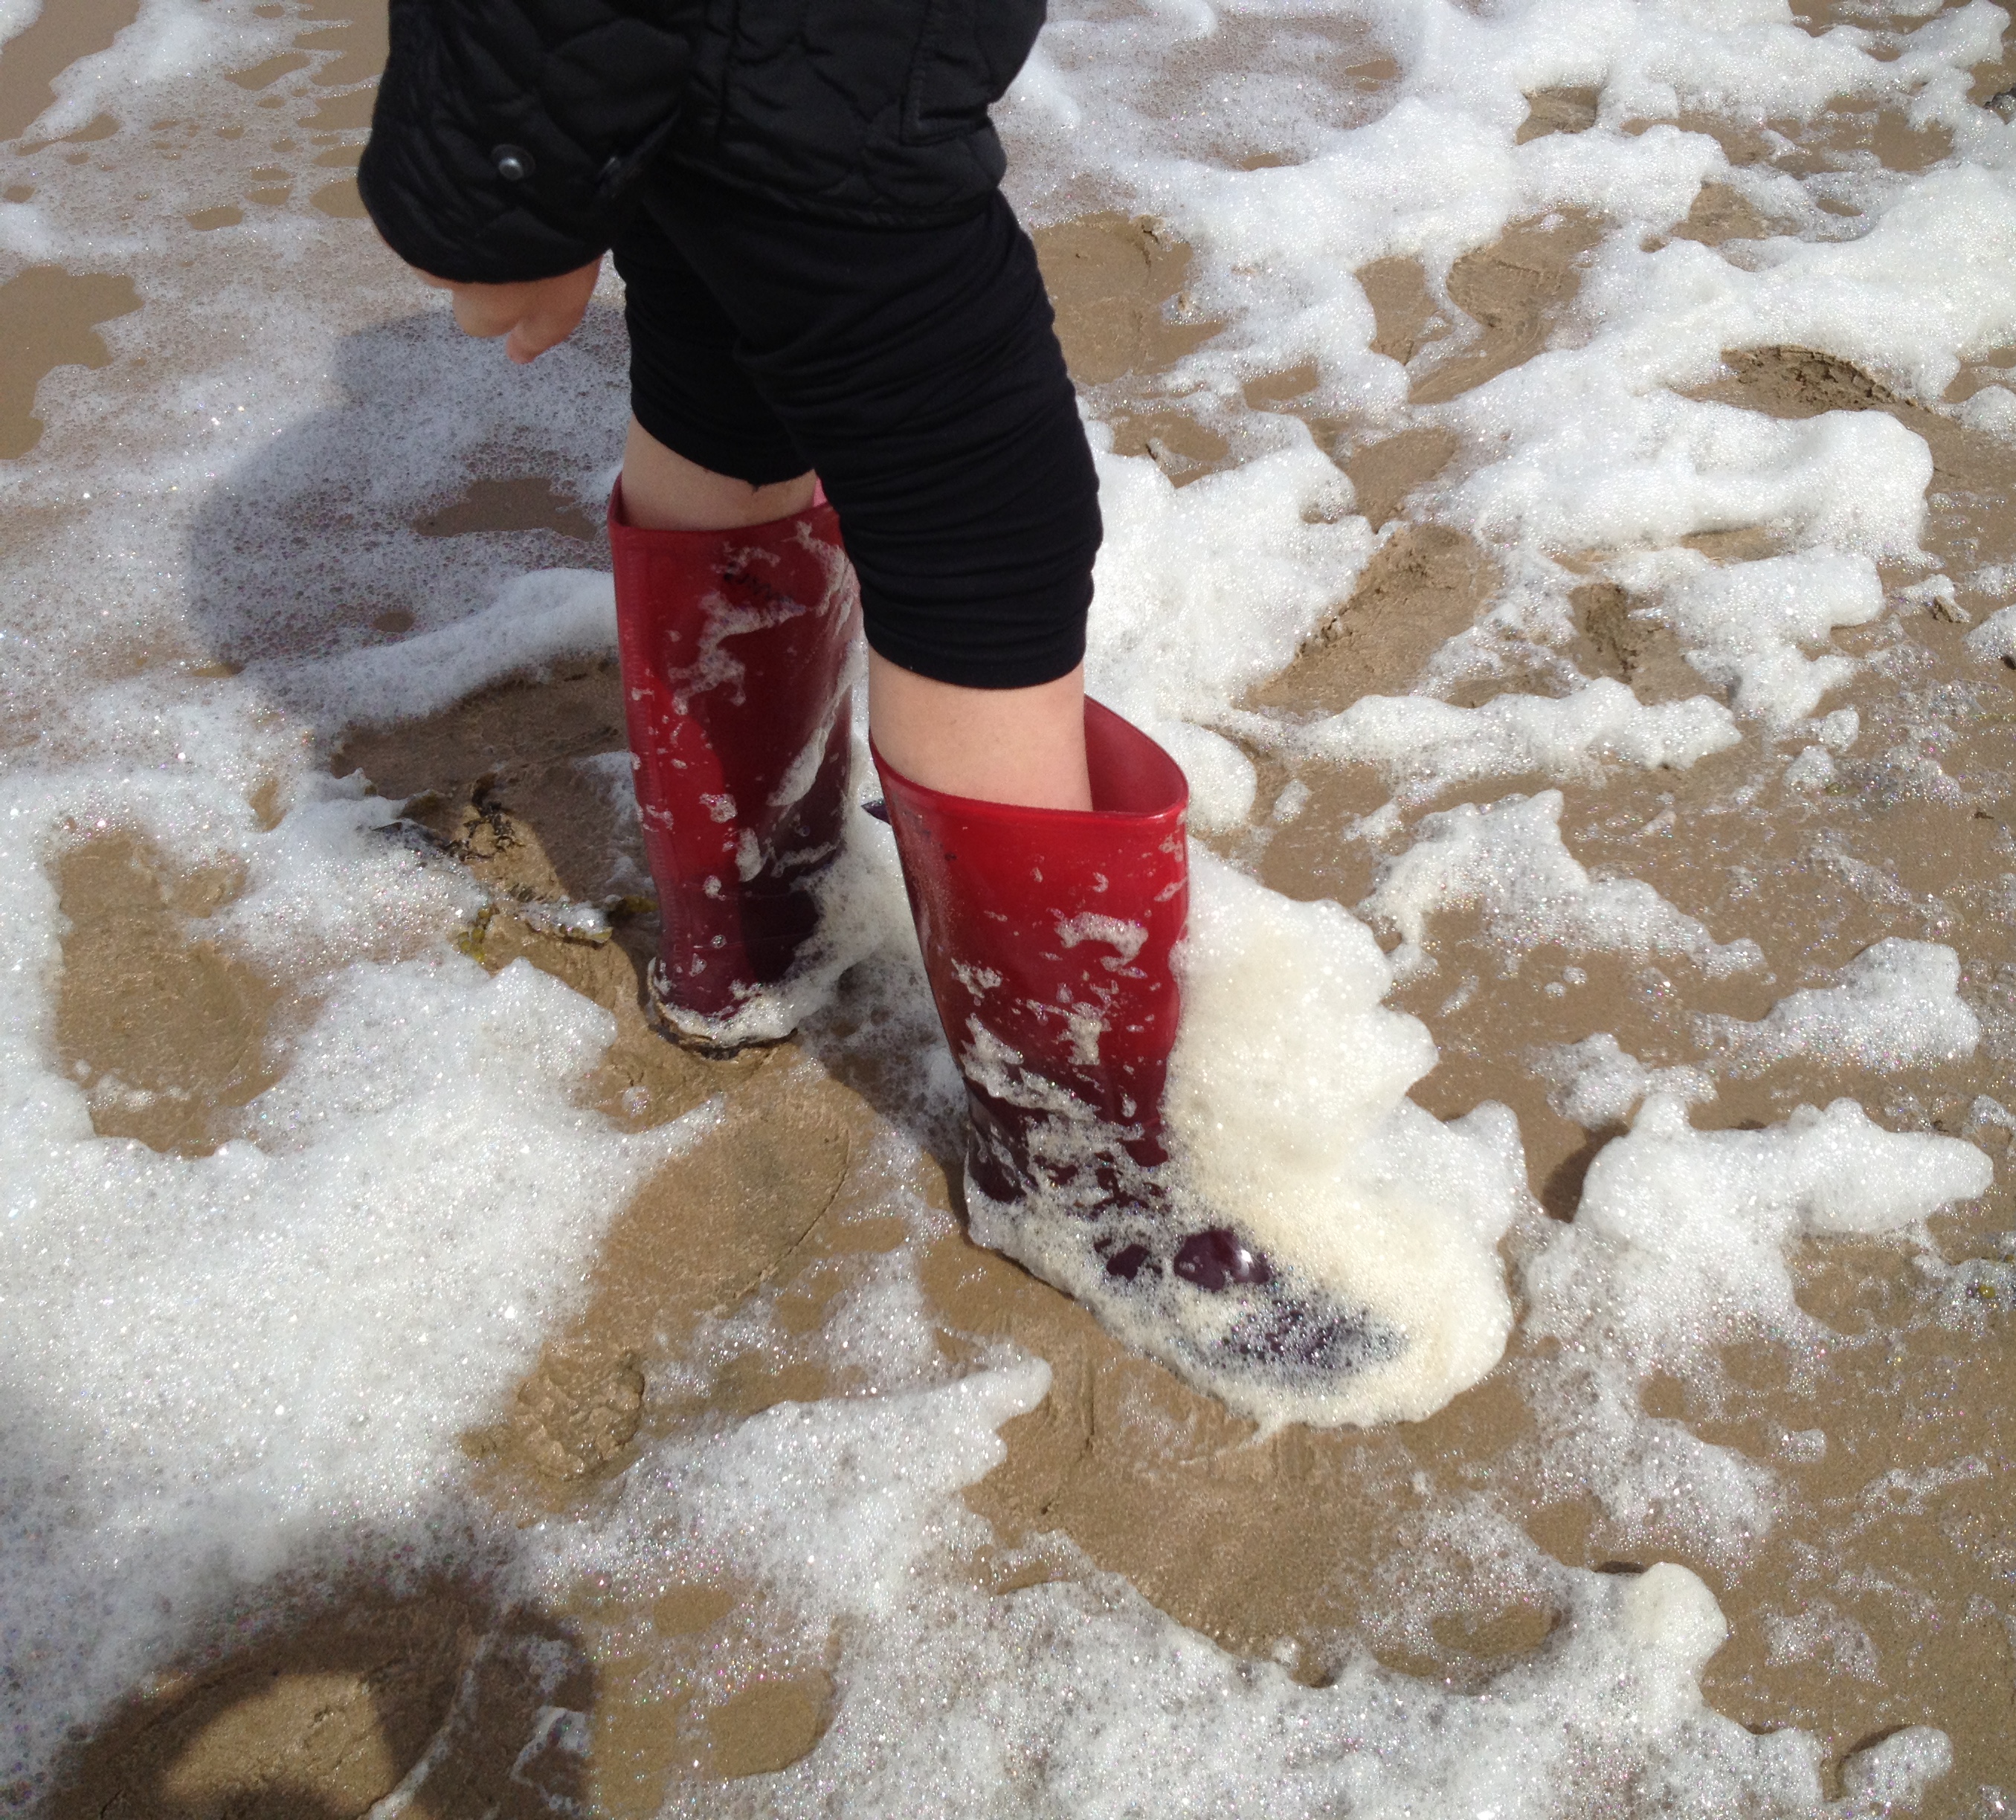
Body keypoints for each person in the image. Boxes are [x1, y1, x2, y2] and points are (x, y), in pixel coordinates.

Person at [356, 0, 1376, 1389]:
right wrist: (502, 199)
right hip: (805, 87)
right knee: (988, 539)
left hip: (743, 80)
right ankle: (1074, 1173)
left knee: (728, 387)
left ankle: (743, 939)